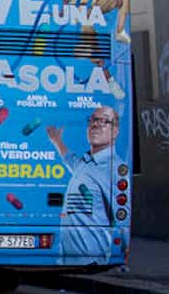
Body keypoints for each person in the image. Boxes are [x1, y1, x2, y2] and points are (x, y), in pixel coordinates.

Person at [45, 106, 121, 262]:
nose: (95, 125)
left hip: (90, 257)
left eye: (104, 121)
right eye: (93, 120)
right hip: (67, 257)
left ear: (115, 132)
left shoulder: (114, 169)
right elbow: (71, 161)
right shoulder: (87, 163)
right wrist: (58, 142)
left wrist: (121, 250)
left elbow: (120, 216)